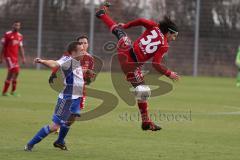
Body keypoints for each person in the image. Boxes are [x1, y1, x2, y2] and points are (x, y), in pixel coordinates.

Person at [96, 3, 180, 131]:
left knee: (120, 32)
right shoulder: (164, 45)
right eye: (173, 35)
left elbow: (141, 21)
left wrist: (126, 25)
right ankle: (146, 122)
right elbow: (156, 64)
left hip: (125, 51)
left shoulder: (154, 26)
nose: (173, 38)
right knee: (144, 91)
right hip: (131, 66)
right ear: (168, 32)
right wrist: (169, 73)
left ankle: (102, 15)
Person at [24, 41, 87, 151]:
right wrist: (42, 61)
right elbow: (54, 63)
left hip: (76, 97)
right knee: (54, 127)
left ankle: (59, 141)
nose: (84, 52)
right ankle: (30, 144)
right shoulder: (67, 61)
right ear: (73, 52)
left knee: (70, 120)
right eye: (81, 50)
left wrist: (87, 72)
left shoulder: (76, 62)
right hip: (66, 99)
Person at [0, 21, 26, 96]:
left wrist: (23, 57)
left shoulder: (20, 36)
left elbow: (21, 47)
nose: (17, 27)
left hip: (15, 57)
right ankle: (5, 92)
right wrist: (1, 57)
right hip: (8, 56)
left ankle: (12, 91)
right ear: (13, 26)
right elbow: (3, 47)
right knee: (12, 72)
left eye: (18, 25)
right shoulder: (7, 34)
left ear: (19, 27)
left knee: (16, 72)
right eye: (15, 25)